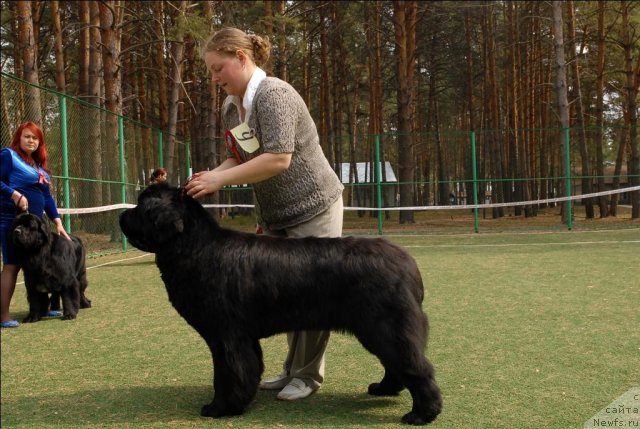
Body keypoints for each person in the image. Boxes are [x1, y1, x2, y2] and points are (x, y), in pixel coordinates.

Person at [185, 27, 344, 401]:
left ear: (241, 58)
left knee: (313, 294)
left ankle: (307, 376)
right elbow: (243, 157)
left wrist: (218, 181)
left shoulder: (275, 95)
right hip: (276, 213)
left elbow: (277, 158)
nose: (214, 78)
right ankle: (291, 370)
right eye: (210, 70)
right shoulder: (231, 107)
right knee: (282, 295)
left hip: (315, 206)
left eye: (218, 68)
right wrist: (213, 175)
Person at [1, 122, 70, 328]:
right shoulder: (8, 155)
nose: (31, 141)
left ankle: (43, 307)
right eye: (27, 137)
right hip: (12, 219)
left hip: (37, 226)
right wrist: (14, 194)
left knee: (40, 265)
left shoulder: (38, 166)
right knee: (12, 265)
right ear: (18, 138)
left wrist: (57, 221)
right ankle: (3, 316)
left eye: (35, 138)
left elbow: (47, 197)